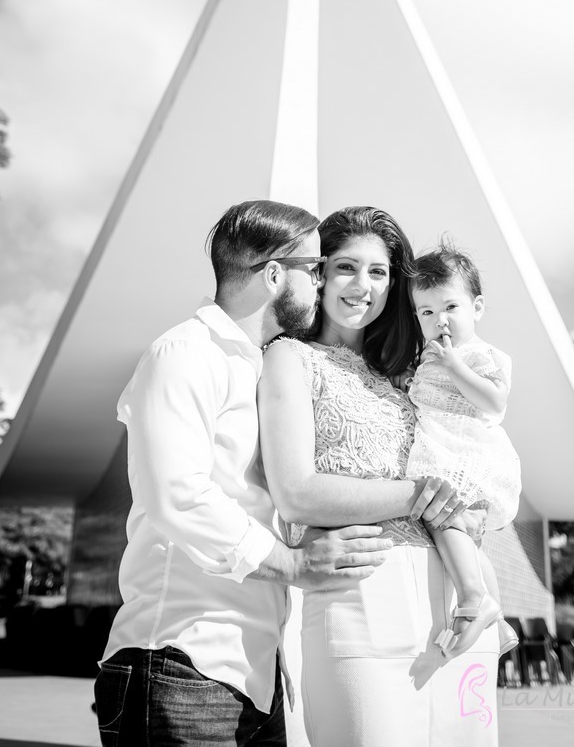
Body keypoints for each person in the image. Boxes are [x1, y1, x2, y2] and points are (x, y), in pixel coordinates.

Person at [94, 199, 404, 747]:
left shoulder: (258, 366)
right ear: (276, 275)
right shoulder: (185, 353)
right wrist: (293, 563)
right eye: (316, 269)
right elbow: (177, 495)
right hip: (180, 661)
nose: (322, 283)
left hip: (256, 677)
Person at [258, 207, 499, 747]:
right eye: (347, 267)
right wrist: (422, 496)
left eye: (380, 272)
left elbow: (472, 453)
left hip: (459, 613)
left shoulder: (413, 374)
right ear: (318, 273)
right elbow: (296, 494)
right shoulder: (289, 359)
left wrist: (474, 504)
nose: (362, 286)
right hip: (359, 602)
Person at [406, 243, 522, 660]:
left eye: (450, 307)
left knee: (445, 520)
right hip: (440, 447)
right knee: (462, 538)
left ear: (476, 307)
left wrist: (456, 365)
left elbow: (494, 402)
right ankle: (498, 615)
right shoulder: (428, 355)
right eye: (427, 312)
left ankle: (474, 599)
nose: (441, 321)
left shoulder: (481, 354)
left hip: (468, 450)